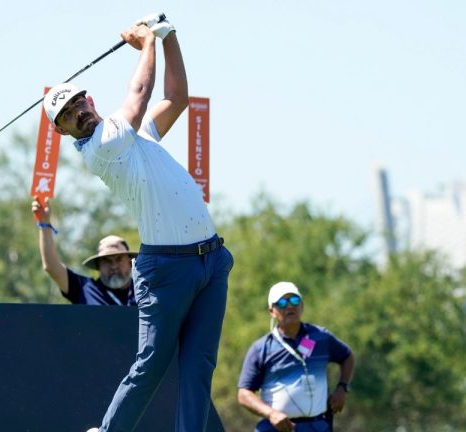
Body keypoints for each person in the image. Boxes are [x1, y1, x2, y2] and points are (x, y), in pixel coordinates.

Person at [42, 12, 233, 432]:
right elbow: (141, 92)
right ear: (62, 131)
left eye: (79, 102)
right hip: (167, 269)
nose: (79, 113)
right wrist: (146, 42)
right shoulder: (102, 145)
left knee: (199, 366)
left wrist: (168, 37)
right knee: (152, 364)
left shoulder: (132, 133)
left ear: (90, 100)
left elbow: (177, 96)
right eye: (68, 115)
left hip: (212, 260)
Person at [237, 282, 355, 432]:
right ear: (272, 311)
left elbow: (347, 356)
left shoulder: (321, 337)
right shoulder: (261, 348)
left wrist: (342, 387)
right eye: (281, 302)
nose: (289, 306)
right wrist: (271, 414)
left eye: (294, 300)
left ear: (302, 306)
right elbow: (244, 394)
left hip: (317, 426)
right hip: (277, 428)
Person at [32, 198, 137, 306]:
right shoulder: (84, 288)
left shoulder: (146, 291)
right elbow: (51, 267)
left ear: (130, 263)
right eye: (106, 261)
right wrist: (44, 223)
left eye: (119, 259)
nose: (113, 266)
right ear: (98, 265)